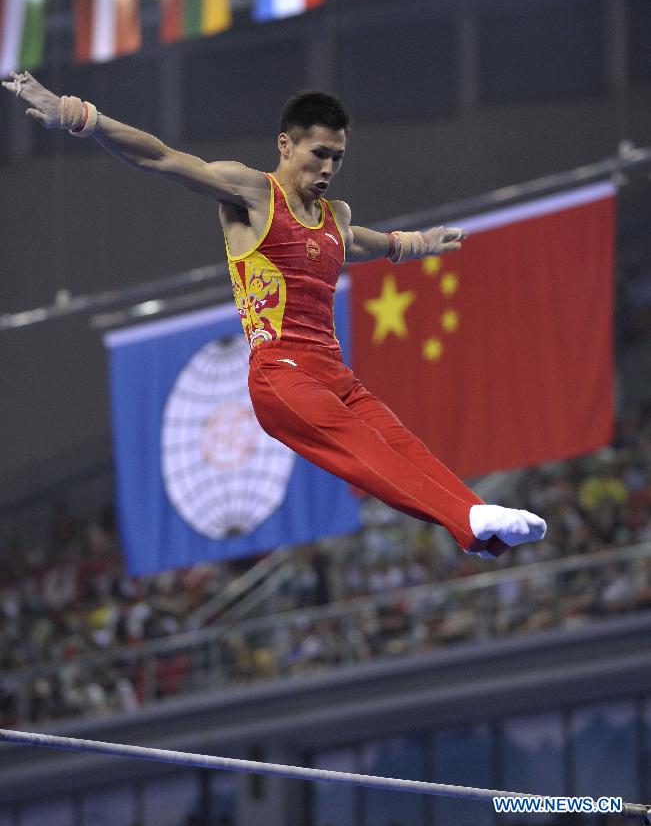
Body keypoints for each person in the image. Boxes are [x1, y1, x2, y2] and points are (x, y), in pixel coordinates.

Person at [2, 71, 546, 558]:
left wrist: (411, 244)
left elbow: (352, 242)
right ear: (285, 145)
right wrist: (79, 116)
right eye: (319, 154)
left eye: (338, 157)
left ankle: (480, 526)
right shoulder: (253, 193)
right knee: (363, 453)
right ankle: (469, 521)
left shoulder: (336, 215)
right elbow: (161, 157)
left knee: (402, 444)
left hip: (335, 375)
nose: (329, 167)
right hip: (280, 375)